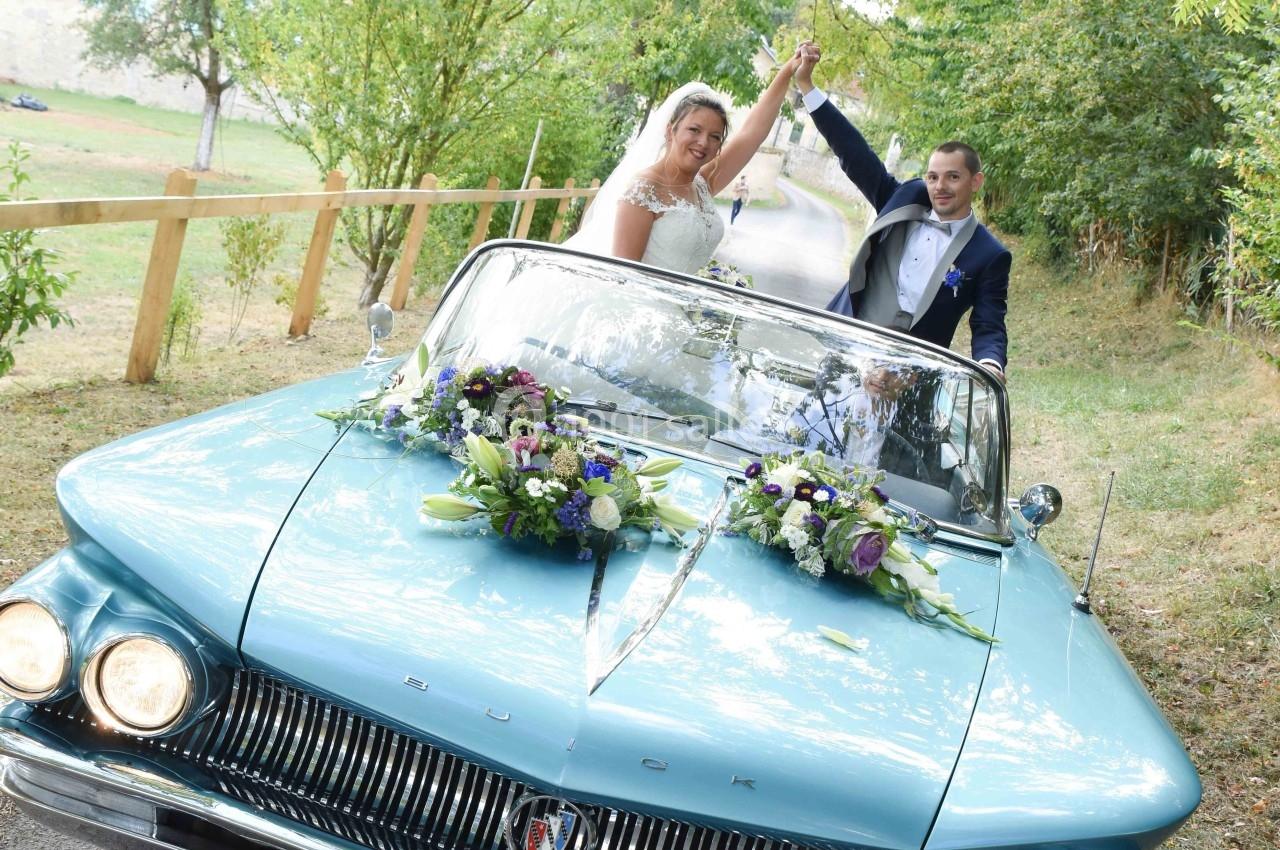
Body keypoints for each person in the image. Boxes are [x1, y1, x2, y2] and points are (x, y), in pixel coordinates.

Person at [794, 48, 1011, 380]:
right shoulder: (902, 199)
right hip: (850, 353)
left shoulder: (989, 254)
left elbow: (989, 322)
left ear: (975, 181)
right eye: (933, 177)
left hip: (913, 377)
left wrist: (990, 363)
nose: (940, 187)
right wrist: (807, 85)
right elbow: (854, 152)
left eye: (953, 177)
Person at [566, 44, 819, 275]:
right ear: (670, 130)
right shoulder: (644, 191)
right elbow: (623, 277)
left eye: (715, 137)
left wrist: (788, 70)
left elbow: (752, 133)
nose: (703, 143)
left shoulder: (703, 183)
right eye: (694, 130)